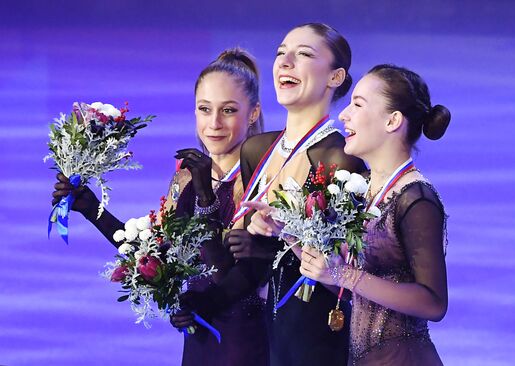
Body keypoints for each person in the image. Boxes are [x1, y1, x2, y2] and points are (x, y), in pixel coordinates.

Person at [52, 48, 269, 366]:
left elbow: (236, 277)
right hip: (199, 336)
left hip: (245, 339)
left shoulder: (261, 179)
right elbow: (153, 254)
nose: (214, 123)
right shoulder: (184, 179)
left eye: (229, 111)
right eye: (204, 109)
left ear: (253, 113)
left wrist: (206, 195)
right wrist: (92, 210)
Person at [187, 23, 367, 366]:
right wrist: (207, 302)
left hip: (313, 335)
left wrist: (270, 243)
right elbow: (254, 266)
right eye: (281, 53)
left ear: (335, 77)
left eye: (303, 55)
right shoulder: (256, 148)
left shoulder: (340, 156)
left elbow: (339, 270)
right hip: (266, 333)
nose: (286, 62)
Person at [297, 64, 451, 365]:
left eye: (358, 104)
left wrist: (345, 274)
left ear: (393, 121)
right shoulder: (360, 188)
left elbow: (434, 304)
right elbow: (354, 286)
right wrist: (286, 232)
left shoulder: (416, 199)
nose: (344, 114)